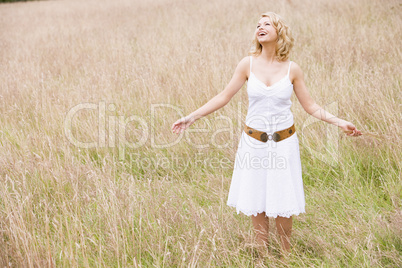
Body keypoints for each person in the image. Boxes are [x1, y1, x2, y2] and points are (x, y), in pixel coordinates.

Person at [171, 12, 362, 259]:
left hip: (284, 143)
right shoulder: (247, 64)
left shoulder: (292, 69)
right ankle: (262, 256)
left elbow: (311, 106)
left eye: (267, 24)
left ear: (279, 31)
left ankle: (285, 257)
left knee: (283, 202)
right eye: (257, 25)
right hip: (253, 142)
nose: (260, 27)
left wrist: (341, 122)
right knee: (256, 199)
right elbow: (223, 96)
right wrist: (191, 117)